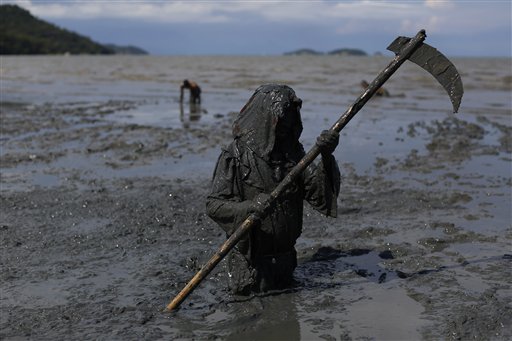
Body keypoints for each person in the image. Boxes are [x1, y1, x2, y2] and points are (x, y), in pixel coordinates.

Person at [206, 84, 340, 295]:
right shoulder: (236, 155)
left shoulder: (294, 154)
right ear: (264, 120)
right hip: (251, 266)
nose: (284, 131)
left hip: (286, 262)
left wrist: (325, 156)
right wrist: (250, 208)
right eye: (280, 125)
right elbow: (214, 205)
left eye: (289, 124)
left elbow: (320, 196)